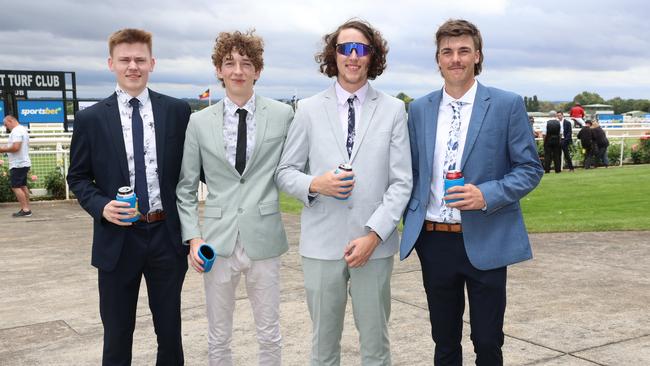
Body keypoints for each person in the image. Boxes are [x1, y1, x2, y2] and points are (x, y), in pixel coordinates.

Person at [400, 19, 543, 365]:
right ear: (437, 60)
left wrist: (487, 194)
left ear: (478, 56)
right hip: (433, 240)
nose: (455, 59)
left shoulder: (507, 104)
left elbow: (530, 169)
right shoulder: (418, 109)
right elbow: (411, 172)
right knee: (444, 342)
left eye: (464, 51)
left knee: (488, 341)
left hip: (487, 238)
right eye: (447, 52)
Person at [276, 19, 412, 365]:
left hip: (374, 248)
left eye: (361, 49)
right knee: (323, 349)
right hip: (321, 246)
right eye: (345, 48)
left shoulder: (394, 110)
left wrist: (374, 235)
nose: (353, 56)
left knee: (376, 349)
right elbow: (284, 173)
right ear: (333, 55)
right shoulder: (306, 109)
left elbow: (401, 183)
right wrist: (315, 184)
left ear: (371, 56)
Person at [67, 28, 191, 365]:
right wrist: (101, 206)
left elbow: (193, 171)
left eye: (140, 59)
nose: (133, 66)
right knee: (117, 334)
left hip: (166, 236)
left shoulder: (177, 111)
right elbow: (77, 177)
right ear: (111, 63)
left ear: (152, 62)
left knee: (170, 332)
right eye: (125, 59)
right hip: (117, 240)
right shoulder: (90, 118)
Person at [176, 30, 293, 366]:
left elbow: (295, 168)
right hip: (217, 240)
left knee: (270, 333)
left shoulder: (282, 115)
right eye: (230, 63)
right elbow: (185, 188)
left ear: (258, 70)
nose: (238, 70)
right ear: (218, 69)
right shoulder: (198, 122)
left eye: (246, 63)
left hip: (264, 236)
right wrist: (194, 238)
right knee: (218, 336)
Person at [1, 115, 32, 217]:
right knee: (22, 186)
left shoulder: (16, 131)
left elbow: (15, 147)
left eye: (6, 124)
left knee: (16, 187)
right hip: (23, 162)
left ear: (10, 121)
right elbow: (15, 147)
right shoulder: (22, 129)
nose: (6, 127)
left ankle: (25, 209)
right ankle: (27, 208)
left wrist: (1, 149)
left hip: (18, 163)